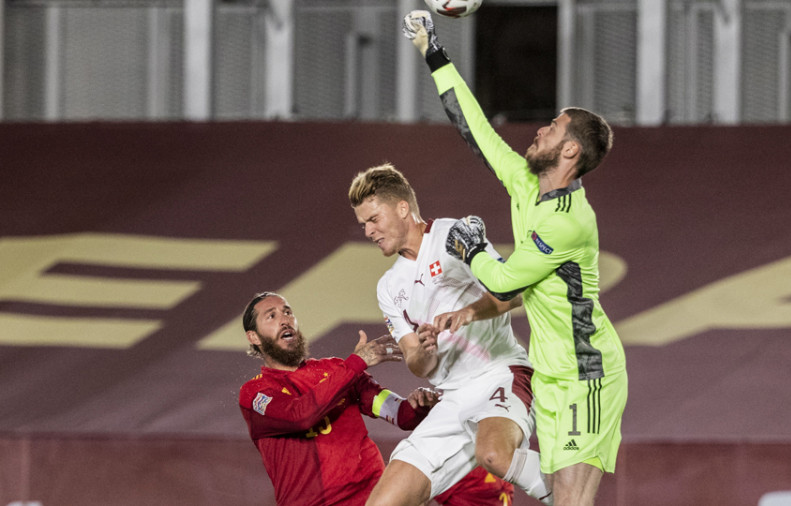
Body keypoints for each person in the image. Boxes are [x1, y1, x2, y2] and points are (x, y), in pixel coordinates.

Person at [403, 11, 628, 506]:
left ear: (569, 151)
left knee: (569, 499)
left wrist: (473, 245)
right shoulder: (527, 183)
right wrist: (434, 52)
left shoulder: (569, 221)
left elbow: (505, 282)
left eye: (552, 127)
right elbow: (475, 128)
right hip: (549, 371)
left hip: (586, 372)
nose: (539, 130)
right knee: (560, 496)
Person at [349, 164, 553, 506]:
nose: (368, 231)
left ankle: (573, 494)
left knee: (494, 455)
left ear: (402, 207)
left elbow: (512, 291)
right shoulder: (388, 287)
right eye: (363, 224)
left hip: (500, 374)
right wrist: (427, 350)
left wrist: (468, 312)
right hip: (452, 399)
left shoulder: (451, 236)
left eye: (373, 219)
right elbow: (416, 361)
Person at [238, 291, 439, 506]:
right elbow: (300, 416)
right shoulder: (255, 393)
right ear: (254, 337)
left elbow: (400, 416)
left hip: (372, 499)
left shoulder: (336, 369)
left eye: (288, 312)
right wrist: (355, 364)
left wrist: (418, 406)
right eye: (272, 316)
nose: (285, 320)